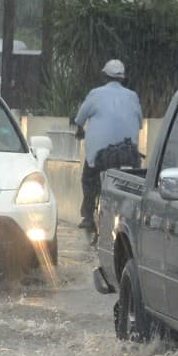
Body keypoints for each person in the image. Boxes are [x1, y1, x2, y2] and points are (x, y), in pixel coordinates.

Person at [72, 59, 143, 231]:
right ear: (123, 78)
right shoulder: (132, 96)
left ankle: (88, 217)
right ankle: (133, 217)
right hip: (128, 153)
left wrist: (80, 129)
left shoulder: (95, 94)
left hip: (101, 154)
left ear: (104, 76)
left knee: (89, 179)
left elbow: (80, 118)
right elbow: (140, 123)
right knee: (132, 183)